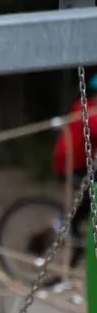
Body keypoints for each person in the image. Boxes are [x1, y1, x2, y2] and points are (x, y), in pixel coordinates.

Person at [51, 74, 97, 268]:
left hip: (80, 163)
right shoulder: (87, 109)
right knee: (88, 195)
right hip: (71, 164)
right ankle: (69, 229)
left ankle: (77, 231)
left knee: (87, 202)